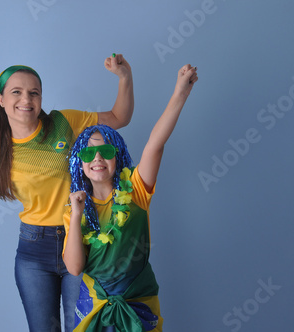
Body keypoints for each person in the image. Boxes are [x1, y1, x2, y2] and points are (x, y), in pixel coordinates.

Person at [0, 54, 134, 331]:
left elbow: (120, 117)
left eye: (34, 93)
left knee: (85, 327)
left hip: (82, 239)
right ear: (1, 99)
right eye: (17, 92)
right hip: (34, 250)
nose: (26, 99)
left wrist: (124, 77)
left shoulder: (65, 123)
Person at [63, 64, 198, 331]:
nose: (98, 158)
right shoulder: (74, 211)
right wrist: (77, 214)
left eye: (106, 150)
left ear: (119, 155)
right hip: (95, 305)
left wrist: (180, 93)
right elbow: (75, 268)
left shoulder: (136, 189)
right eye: (89, 154)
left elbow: (155, 144)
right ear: (80, 164)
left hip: (140, 300)